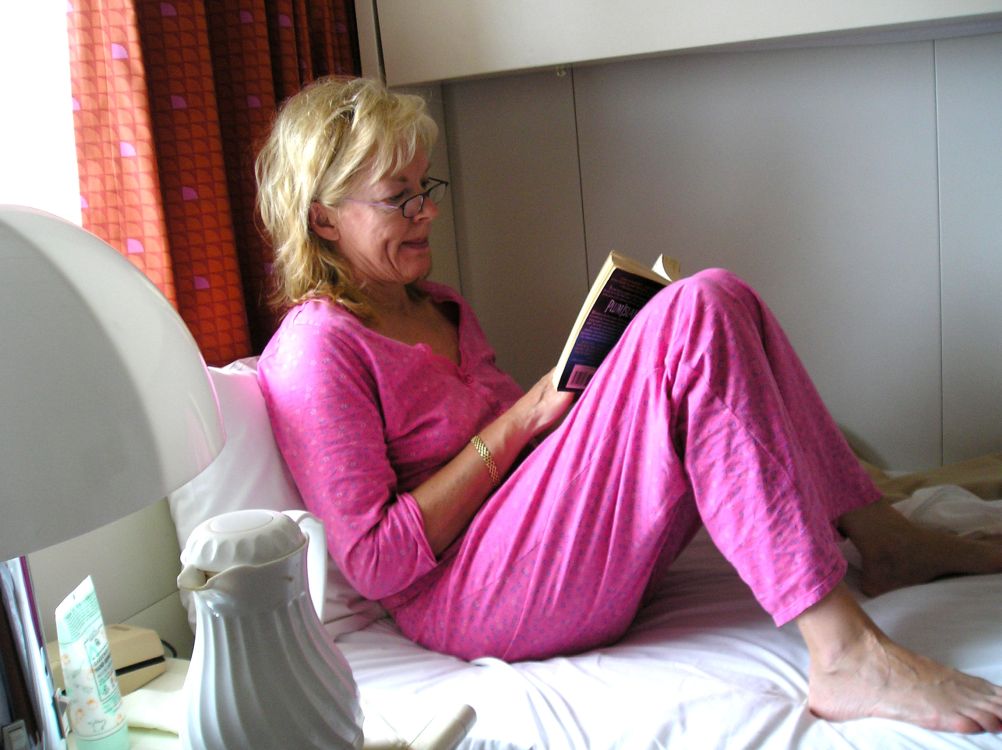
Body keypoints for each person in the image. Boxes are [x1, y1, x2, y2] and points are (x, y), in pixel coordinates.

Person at [254, 76, 1002, 734]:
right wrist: (523, 419)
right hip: (468, 597)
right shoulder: (317, 348)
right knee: (695, 311)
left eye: (427, 189)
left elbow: (530, 466)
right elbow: (375, 562)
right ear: (323, 219)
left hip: (534, 542)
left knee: (721, 298)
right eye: (399, 198)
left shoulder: (439, 306)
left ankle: (884, 535)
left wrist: (598, 391)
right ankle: (843, 653)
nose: (425, 213)